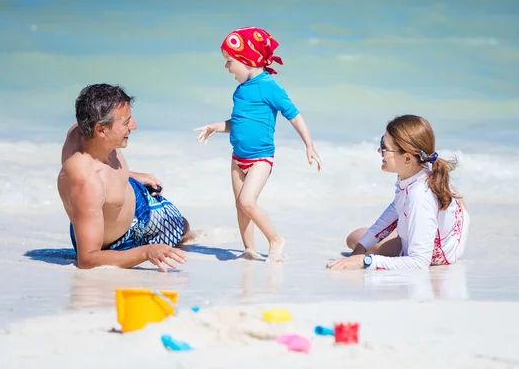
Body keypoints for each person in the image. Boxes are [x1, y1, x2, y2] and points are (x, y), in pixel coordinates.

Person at [194, 26, 322, 263]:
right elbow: (240, 123)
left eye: (229, 61)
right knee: (240, 207)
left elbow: (293, 114)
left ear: (247, 61)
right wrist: (216, 127)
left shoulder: (268, 86)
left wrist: (309, 145)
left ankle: (275, 240)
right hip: (237, 158)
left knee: (247, 201)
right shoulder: (241, 90)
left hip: (260, 158)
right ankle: (249, 249)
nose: (226, 68)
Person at [57, 84, 198, 272]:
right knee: (182, 230)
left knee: (183, 224)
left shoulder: (82, 132)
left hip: (130, 194)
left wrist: (130, 176)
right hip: (126, 235)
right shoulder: (86, 182)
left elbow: (102, 168)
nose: (134, 126)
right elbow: (87, 259)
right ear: (101, 130)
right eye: (126, 122)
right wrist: (146, 252)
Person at [326, 114, 470, 271]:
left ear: (408, 158)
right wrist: (360, 249)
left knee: (360, 241)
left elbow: (419, 262)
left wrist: (366, 261)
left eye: (385, 148)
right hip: (425, 224)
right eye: (382, 143)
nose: (379, 150)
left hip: (438, 254)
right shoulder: (414, 174)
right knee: (357, 239)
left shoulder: (420, 197)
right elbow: (396, 208)